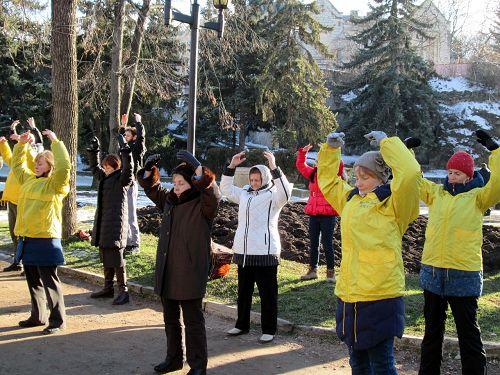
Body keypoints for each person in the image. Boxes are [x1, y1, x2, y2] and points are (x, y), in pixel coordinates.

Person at [317, 131, 421, 374]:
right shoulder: (350, 200)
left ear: (381, 177)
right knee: (358, 362)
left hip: (380, 294)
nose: (358, 181)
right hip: (350, 294)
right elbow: (328, 181)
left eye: (365, 177)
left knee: (382, 363)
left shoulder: (394, 204)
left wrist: (387, 144)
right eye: (356, 176)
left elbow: (411, 174)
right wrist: (331, 151)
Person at [417, 130, 499, 375]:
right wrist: (406, 151)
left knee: (468, 334)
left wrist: (495, 150)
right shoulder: (436, 194)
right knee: (432, 333)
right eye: (450, 172)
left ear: (468, 175)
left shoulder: (479, 198)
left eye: (458, 173)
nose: (452, 177)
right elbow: (412, 177)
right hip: (433, 273)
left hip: (464, 274)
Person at [137, 150, 221, 375]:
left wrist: (198, 167)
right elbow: (152, 188)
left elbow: (214, 193)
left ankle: (198, 366)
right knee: (170, 319)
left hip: (190, 270)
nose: (176, 186)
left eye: (181, 182)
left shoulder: (203, 205)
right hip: (168, 269)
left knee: (193, 321)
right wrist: (147, 170)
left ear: (192, 183)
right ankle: (174, 359)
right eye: (174, 182)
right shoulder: (170, 201)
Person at [221, 150, 292, 344]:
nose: (254, 183)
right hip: (244, 252)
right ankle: (241, 325)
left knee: (267, 294)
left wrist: (274, 167)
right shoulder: (244, 193)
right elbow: (226, 190)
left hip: (265, 252)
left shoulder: (274, 196)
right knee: (243, 292)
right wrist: (231, 166)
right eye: (252, 180)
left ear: (266, 179)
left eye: (257, 180)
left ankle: (269, 329)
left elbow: (286, 192)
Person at [11, 128, 71, 335]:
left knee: (50, 281)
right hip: (26, 238)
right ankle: (38, 316)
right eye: (36, 162)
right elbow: (17, 165)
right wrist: (21, 145)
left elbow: (64, 168)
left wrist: (56, 142)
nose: (36, 165)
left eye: (41, 163)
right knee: (33, 281)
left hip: (46, 239)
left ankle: (58, 321)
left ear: (49, 166)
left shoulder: (55, 185)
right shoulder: (28, 181)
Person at [87, 135, 134, 305]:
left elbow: (129, 167)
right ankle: (108, 288)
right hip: (103, 223)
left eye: (108, 167)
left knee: (117, 260)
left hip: (116, 224)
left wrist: (125, 149)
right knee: (105, 255)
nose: (105, 170)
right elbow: (94, 168)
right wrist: (94, 151)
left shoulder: (123, 179)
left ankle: (124, 290)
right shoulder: (105, 178)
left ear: (115, 167)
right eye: (105, 167)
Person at [296, 143, 344, 282]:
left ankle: (330, 273)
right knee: (313, 242)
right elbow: (301, 165)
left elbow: (339, 165)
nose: (319, 162)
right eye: (318, 160)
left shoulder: (333, 173)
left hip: (328, 215)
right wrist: (302, 153)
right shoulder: (313, 173)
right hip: (314, 214)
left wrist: (332, 150)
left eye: (322, 159)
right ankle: (312, 270)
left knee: (327, 243)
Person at [1, 118, 43, 273]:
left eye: (28, 138)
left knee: (23, 236)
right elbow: (9, 158)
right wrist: (3, 144)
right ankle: (17, 261)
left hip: (23, 202)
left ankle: (28, 263)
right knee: (14, 234)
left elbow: (29, 159)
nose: (25, 139)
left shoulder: (35, 159)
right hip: (11, 200)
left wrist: (22, 142)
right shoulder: (19, 159)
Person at [120, 112, 146, 255]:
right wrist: (123, 126)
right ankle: (127, 241)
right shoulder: (124, 148)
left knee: (130, 214)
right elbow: (119, 138)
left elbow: (141, 138)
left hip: (131, 184)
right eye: (125, 135)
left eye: (128, 136)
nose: (125, 137)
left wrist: (138, 122)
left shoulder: (136, 149)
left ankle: (134, 244)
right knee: (123, 214)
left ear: (134, 138)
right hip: (122, 184)